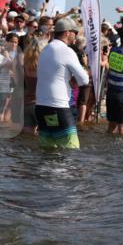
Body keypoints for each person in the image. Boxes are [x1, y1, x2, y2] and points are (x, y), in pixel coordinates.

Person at [35, 18, 89, 148]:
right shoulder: (67, 51)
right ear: (66, 33)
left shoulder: (45, 49)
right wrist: (75, 81)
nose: (75, 36)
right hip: (58, 107)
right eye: (74, 32)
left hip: (41, 107)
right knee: (71, 149)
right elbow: (84, 80)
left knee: (47, 150)